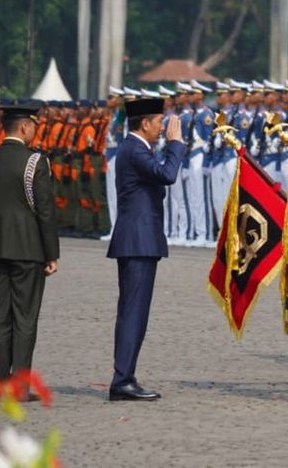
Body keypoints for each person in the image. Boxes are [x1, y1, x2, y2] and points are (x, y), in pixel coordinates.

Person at [0, 102, 59, 392]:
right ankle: (18, 386)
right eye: (34, 126)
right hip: (28, 251)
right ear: (25, 127)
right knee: (25, 319)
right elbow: (45, 211)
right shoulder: (35, 162)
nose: (35, 132)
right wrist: (51, 253)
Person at [107, 96, 186, 401]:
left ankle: (125, 376)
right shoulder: (134, 148)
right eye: (158, 122)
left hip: (140, 239)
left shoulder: (137, 148)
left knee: (134, 313)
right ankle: (122, 379)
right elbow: (167, 175)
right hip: (137, 241)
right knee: (133, 313)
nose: (162, 127)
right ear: (144, 123)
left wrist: (167, 147)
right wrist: (175, 145)